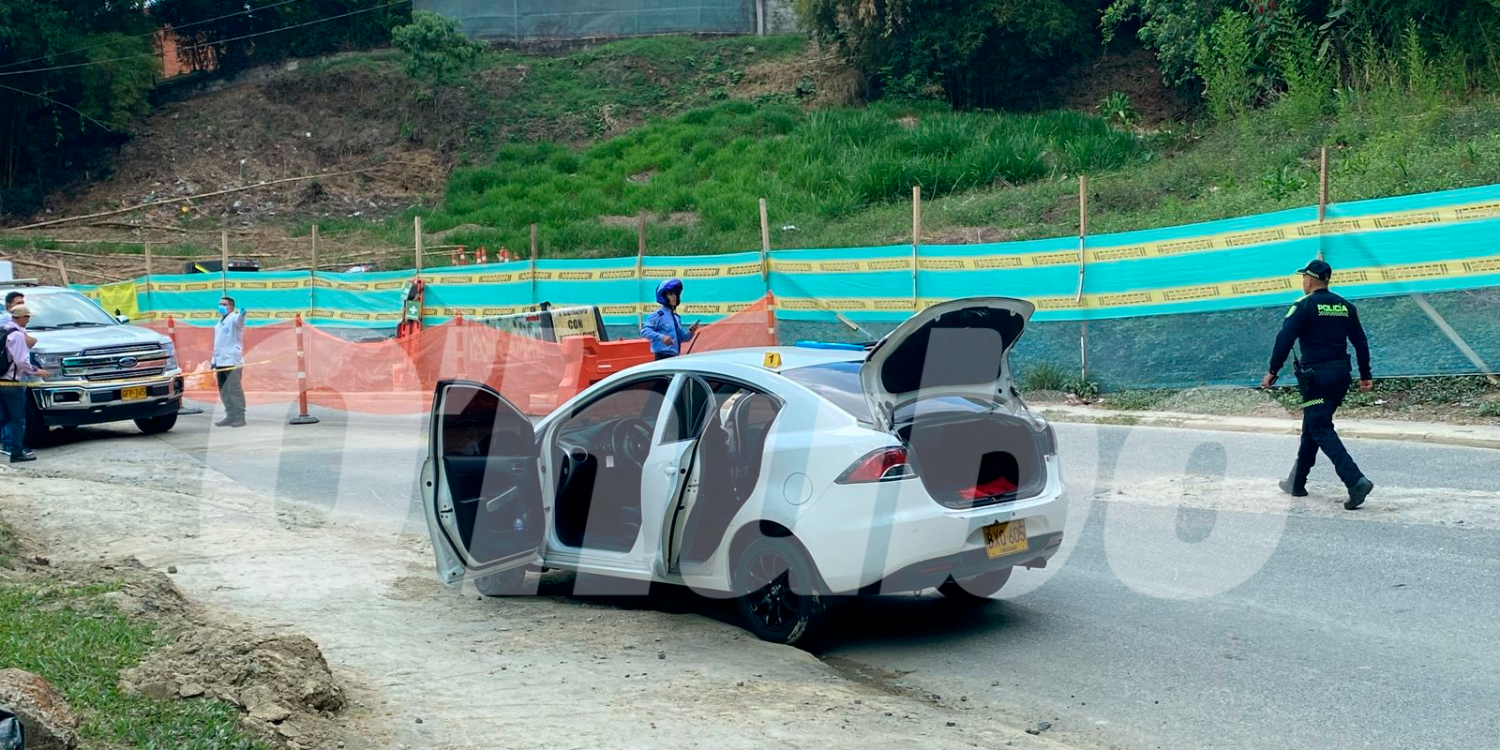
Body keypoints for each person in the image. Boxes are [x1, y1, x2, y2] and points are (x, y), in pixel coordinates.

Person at [1262, 259, 1375, 509]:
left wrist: (1272, 371)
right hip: (1341, 375)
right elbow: (1360, 342)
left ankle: (1355, 480)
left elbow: (1284, 339)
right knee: (1313, 424)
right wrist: (1365, 374)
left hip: (1316, 378)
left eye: (1304, 277)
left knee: (1320, 427)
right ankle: (1296, 482)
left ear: (1310, 279)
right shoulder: (1346, 306)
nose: (1303, 281)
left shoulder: (1304, 306)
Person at [1, 305, 49, 462]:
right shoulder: (16, 336)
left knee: (4, 416)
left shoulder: (3, 331)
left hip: (2, 380)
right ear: (21, 318)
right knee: (17, 419)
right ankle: (16, 452)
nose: (28, 320)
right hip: (13, 382)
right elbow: (21, 361)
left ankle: (16, 449)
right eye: (27, 317)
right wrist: (36, 370)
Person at [641, 278, 700, 360]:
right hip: (662, 357)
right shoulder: (658, 315)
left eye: (675, 294)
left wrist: (691, 332)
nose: (674, 296)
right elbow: (645, 331)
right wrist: (662, 337)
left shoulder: (676, 317)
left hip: (674, 358)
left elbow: (682, 338)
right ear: (663, 297)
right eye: (670, 294)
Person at [212, 296, 247, 428]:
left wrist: (242, 315)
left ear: (231, 307)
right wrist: (213, 360)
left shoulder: (234, 318)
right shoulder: (218, 324)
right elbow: (217, 344)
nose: (221, 306)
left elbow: (239, 322)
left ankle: (239, 417)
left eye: (224, 304)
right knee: (224, 390)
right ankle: (230, 415)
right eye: (220, 304)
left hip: (232, 361)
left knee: (234, 389)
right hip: (220, 361)